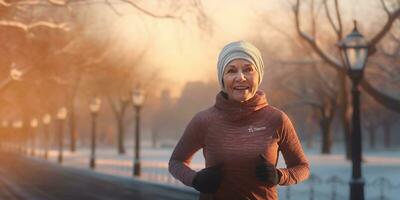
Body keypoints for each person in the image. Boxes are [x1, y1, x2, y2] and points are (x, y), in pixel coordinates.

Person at [168, 41, 310, 200]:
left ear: (259, 75)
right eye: (231, 70)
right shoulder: (204, 120)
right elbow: (176, 161)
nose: (240, 77)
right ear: (222, 78)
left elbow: (302, 167)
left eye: (248, 69)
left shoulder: (277, 119)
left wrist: (279, 175)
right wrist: (195, 179)